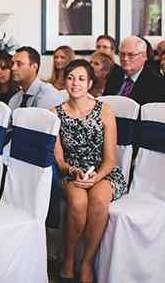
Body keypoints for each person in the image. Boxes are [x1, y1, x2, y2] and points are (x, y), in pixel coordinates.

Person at [52, 60, 126, 283]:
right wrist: (75, 171)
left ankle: (86, 263)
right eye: (71, 78)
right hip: (70, 172)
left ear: (90, 83)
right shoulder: (54, 114)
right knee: (77, 201)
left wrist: (97, 177)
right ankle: (68, 259)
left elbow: (110, 158)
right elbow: (59, 160)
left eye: (81, 79)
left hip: (103, 172)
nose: (75, 83)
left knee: (99, 197)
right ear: (65, 81)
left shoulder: (105, 111)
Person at [103, 36, 165, 105]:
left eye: (131, 55)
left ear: (144, 56)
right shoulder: (115, 75)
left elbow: (153, 111)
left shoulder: (156, 82)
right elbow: (104, 103)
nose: (125, 59)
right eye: (122, 54)